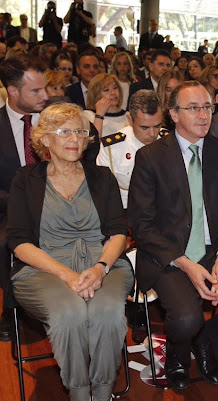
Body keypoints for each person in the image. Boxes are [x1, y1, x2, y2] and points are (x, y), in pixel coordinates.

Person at [127, 81, 218, 390]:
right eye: (193, 108)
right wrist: (186, 264)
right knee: (186, 317)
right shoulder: (151, 157)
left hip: (214, 249)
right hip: (169, 255)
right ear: (174, 114)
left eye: (207, 107)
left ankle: (206, 342)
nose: (203, 115)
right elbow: (142, 225)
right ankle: (177, 355)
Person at [7, 102, 134, 401]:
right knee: (69, 313)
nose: (75, 138)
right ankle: (78, 393)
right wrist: (66, 275)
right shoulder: (26, 179)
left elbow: (118, 232)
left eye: (80, 131)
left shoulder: (102, 177)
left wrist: (101, 268)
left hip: (103, 263)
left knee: (108, 312)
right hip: (44, 268)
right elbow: (19, 241)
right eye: (64, 132)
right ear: (44, 139)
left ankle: (102, 392)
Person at [0, 54, 48, 341]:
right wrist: (18, 202)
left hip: (59, 204)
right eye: (36, 91)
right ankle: (11, 308)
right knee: (5, 242)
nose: (45, 96)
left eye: (45, 88)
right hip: (9, 209)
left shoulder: (56, 118)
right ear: (13, 91)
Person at [97, 90, 164, 208]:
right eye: (144, 128)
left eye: (157, 126)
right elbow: (103, 193)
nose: (152, 134)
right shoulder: (111, 148)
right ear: (130, 120)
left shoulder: (171, 142)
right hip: (126, 212)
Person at [83, 73, 127, 139]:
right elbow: (93, 142)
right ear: (96, 94)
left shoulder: (128, 115)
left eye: (115, 88)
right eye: (106, 90)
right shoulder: (88, 115)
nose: (113, 93)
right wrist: (99, 115)